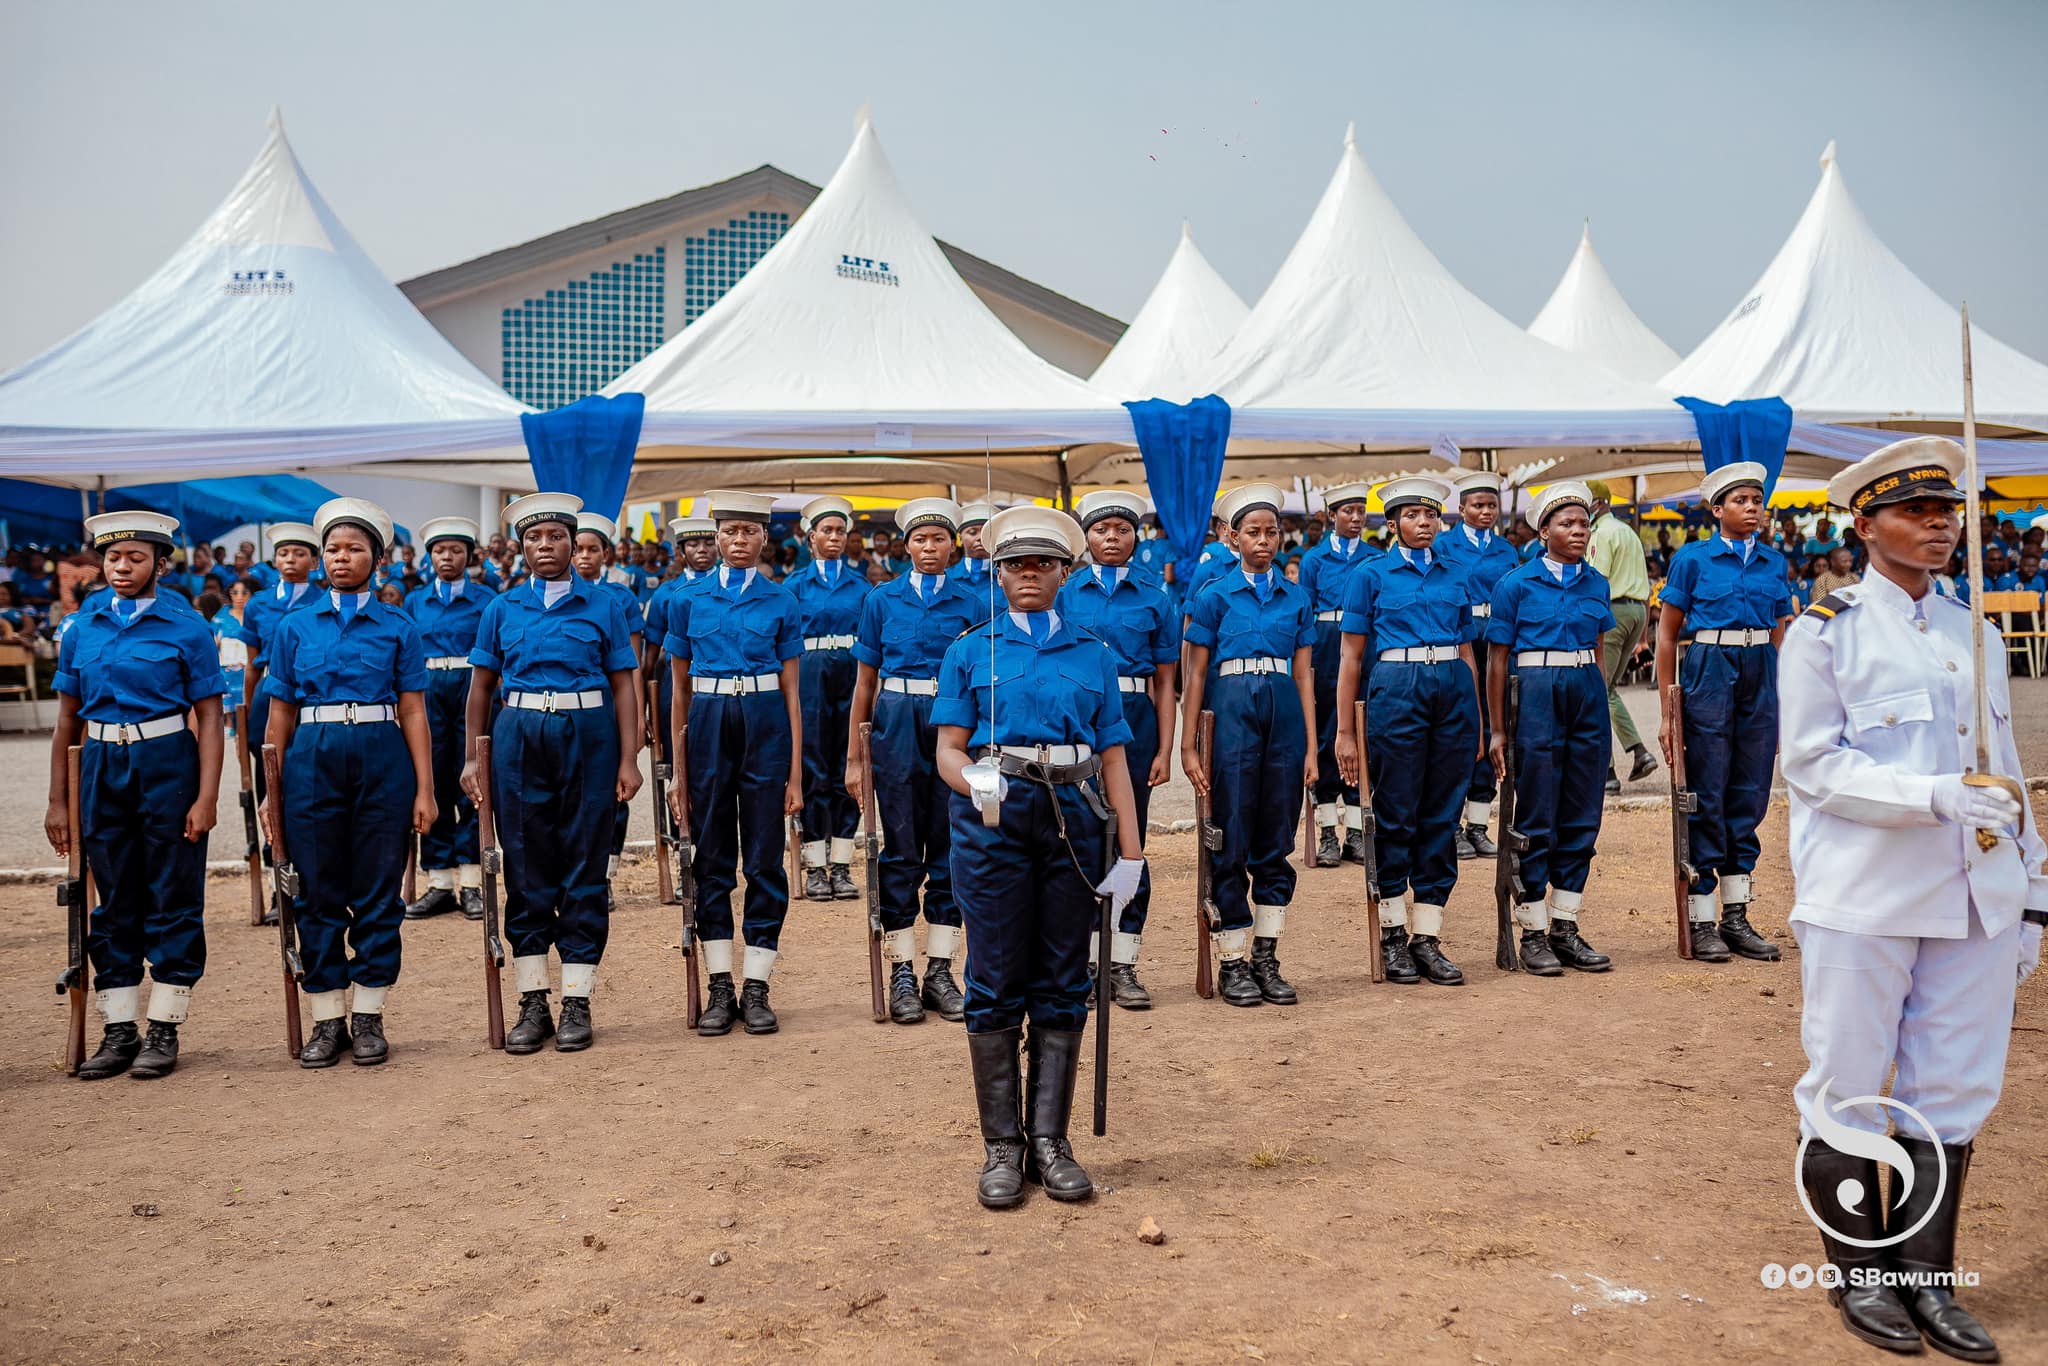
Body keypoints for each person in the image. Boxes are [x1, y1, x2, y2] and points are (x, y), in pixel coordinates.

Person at [1781, 437, 2045, 1359]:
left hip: (1977, 897)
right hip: (1867, 896)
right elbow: (1812, 766)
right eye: (1916, 512)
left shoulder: (1976, 633)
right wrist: (1929, 795)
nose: (1939, 527)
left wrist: (2035, 891)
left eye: (1947, 512)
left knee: (1953, 1091)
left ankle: (1928, 1282)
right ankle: (1861, 1276)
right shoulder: (1827, 631)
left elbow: (2007, 768)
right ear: (1866, 526)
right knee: (1848, 1087)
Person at [934, 505, 1145, 1209]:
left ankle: (1051, 1141)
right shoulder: (971, 650)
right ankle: (1002, 1146)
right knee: (994, 974)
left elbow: (1114, 757)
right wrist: (972, 778)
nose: (1029, 574)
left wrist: (1132, 853)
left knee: (1062, 975)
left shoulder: (1095, 653)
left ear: (1065, 573)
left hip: (1074, 816)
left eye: (1043, 564)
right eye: (1016, 565)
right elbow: (947, 748)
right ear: (997, 574)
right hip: (994, 817)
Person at [45, 512, 226, 1080]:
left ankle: (164, 1027)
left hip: (167, 762)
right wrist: (57, 800)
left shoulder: (188, 628)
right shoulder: (82, 628)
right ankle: (119, 1029)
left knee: (173, 892)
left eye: (136, 558)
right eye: (113, 558)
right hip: (101, 765)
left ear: (161, 565)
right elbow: (67, 720)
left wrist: (207, 796)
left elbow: (211, 717)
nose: (121, 567)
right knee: (114, 897)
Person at [463, 493, 642, 1055]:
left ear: (572, 543)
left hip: (589, 736)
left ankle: (577, 999)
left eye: (557, 537)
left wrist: (629, 757)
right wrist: (472, 758)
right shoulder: (501, 609)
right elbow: (480, 689)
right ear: (521, 548)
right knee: (525, 865)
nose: (546, 546)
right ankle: (533, 999)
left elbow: (625, 686)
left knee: (584, 866)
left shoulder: (605, 606)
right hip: (519, 739)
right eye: (535, 538)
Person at [263, 500, 435, 1067]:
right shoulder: (293, 627)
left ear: (378, 560)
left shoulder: (399, 627)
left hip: (382, 758)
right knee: (316, 891)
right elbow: (280, 714)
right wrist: (271, 789)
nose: (342, 558)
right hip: (311, 761)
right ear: (321, 558)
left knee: (377, 893)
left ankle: (368, 1016)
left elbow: (413, 710)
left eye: (355, 548)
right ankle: (327, 1018)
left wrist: (425, 788)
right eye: (333, 549)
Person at [1333, 477, 1482, 986]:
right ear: (1393, 523)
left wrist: (1477, 719)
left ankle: (1427, 938)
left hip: (1453, 691)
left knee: (1442, 815)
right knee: (1396, 812)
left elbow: (1467, 650)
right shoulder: (1370, 575)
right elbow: (1350, 656)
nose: (1424, 523)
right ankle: (1393, 935)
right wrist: (1345, 732)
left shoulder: (1457, 573)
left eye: (1431, 515)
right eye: (1413, 516)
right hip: (1397, 690)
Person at [664, 491, 803, 1035]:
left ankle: (757, 984)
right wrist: (678, 773)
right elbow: (677, 692)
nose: (739, 540)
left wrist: (795, 773)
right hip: (709, 722)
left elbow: (793, 693)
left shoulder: (782, 600)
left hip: (766, 723)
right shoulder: (687, 600)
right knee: (712, 857)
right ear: (716, 537)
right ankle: (720, 985)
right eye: (730, 532)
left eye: (749, 531)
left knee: (764, 860)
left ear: (764, 538)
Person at [846, 498, 986, 1025]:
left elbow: (983, 679)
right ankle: (902, 968)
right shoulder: (881, 600)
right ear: (906, 546)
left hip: (953, 723)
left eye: (939, 539)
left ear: (954, 545)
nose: (930, 548)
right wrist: (854, 759)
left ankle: (940, 969)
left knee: (951, 848)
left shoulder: (973, 602)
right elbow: (865, 683)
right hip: (897, 723)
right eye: (920, 540)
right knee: (901, 850)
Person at [1178, 483, 1317, 1007]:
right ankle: (1232, 958)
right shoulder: (1214, 595)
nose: (1264, 541)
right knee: (1231, 833)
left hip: (1283, 712)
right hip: (1231, 709)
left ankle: (1266, 955)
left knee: (1275, 836)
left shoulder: (1296, 597)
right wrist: (1188, 744)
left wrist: (1310, 747)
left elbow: (1304, 676)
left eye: (1271, 532)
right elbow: (1195, 674)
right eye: (1253, 532)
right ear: (1232, 538)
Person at [1652, 464, 1795, 963]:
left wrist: (1783, 701)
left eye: (1757, 500)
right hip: (1709, 668)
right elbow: (1667, 634)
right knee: (1706, 792)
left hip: (1760, 670)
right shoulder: (1692, 560)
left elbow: (1781, 632)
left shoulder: (1774, 562)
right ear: (1717, 509)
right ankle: (1702, 917)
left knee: (1750, 792)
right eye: (1741, 500)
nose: (1752, 508)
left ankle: (1736, 917)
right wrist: (1668, 713)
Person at [1487, 482, 1616, 977]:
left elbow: (1598, 650)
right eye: (1567, 523)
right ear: (1544, 531)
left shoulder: (1597, 584)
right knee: (1537, 813)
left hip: (1586, 694)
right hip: (1537, 695)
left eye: (1584, 523)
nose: (1578, 531)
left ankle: (1565, 925)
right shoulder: (1515, 585)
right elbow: (1497, 661)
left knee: (1582, 815)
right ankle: (1533, 930)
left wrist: (1600, 708)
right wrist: (1498, 730)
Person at [1058, 490, 1180, 1009]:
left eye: (1122, 529)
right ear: (1086, 536)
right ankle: (1085, 965)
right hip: (1078, 720)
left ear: (1136, 535)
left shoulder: (1156, 596)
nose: (1112, 538)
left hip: (1134, 719)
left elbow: (1166, 681)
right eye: (1101, 529)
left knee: (1131, 839)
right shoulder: (1065, 592)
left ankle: (1124, 963)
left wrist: (1164, 748)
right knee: (1081, 840)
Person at [402, 518, 496, 921]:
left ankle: (472, 882)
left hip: (471, 690)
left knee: (473, 782)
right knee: (432, 781)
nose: (447, 557)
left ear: (469, 556)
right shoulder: (415, 602)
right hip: (427, 693)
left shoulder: (487, 600)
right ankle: (439, 882)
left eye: (456, 550)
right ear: (430, 556)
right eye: (440, 550)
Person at [235, 523, 321, 916]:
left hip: (311, 698)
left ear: (314, 561)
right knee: (268, 785)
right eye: (284, 553)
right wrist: (247, 712)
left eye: (300, 553)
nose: (291, 560)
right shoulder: (258, 604)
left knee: (307, 786)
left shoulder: (324, 601)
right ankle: (277, 886)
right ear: (274, 560)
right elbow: (253, 665)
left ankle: (309, 880)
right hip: (269, 696)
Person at [788, 496, 871, 901]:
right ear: (811, 538)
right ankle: (815, 866)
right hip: (810, 678)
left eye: (840, 530)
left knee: (848, 766)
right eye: (827, 530)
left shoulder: (862, 586)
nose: (835, 537)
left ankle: (840, 864)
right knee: (813, 768)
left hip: (851, 677)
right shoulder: (794, 587)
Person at [1437, 472, 1521, 860]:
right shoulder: (1443, 545)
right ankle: (1451, 825)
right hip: (1460, 639)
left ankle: (1478, 824)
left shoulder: (1506, 550)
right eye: (1477, 505)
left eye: (1491, 505)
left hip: (1498, 640)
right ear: (1461, 508)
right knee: (1461, 724)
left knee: (1494, 723)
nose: (1485, 511)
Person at [1296, 483, 1375, 868]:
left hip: (1365, 648)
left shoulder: (1374, 558)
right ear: (1332, 516)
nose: (1356, 518)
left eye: (1361, 510)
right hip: (1326, 648)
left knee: (1362, 732)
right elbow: (1304, 613)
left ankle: (1357, 832)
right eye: (1348, 511)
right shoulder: (1314, 560)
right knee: (1328, 732)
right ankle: (1328, 831)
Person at [574, 511, 647, 910]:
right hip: (575, 710)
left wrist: (637, 719)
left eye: (592, 549)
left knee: (611, 795)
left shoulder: (621, 598)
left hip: (611, 708)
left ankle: (604, 873)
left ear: (606, 553)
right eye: (578, 549)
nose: (584, 557)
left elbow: (632, 667)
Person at [1584, 481, 1659, 794]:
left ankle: (1608, 770)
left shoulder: (1601, 534)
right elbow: (1644, 584)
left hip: (1612, 611)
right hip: (1636, 612)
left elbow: (1596, 581)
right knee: (1609, 688)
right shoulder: (1628, 532)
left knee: (1598, 690)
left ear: (1599, 503)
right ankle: (1638, 753)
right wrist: (1643, 635)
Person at [955, 501, 996, 603]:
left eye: (987, 533)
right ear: (960, 538)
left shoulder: (1005, 579)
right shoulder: (946, 578)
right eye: (972, 532)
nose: (980, 538)